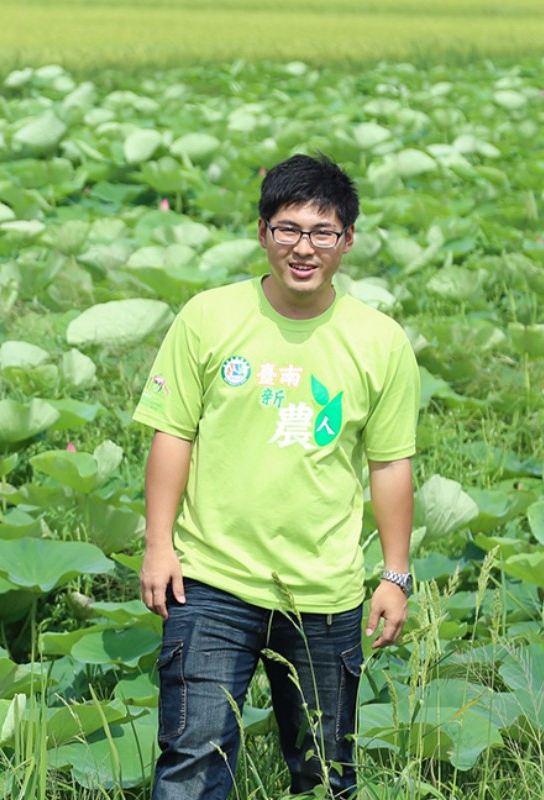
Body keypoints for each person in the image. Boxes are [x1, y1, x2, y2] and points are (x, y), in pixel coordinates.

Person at [133, 153, 419, 799]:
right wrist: (158, 545)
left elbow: (389, 462)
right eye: (287, 229)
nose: (303, 248)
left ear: (346, 241)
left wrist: (394, 574)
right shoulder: (209, 316)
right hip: (209, 579)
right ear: (262, 232)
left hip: (324, 589)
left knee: (324, 771)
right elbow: (171, 433)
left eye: (321, 233)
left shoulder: (378, 340)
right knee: (191, 759)